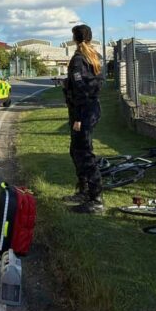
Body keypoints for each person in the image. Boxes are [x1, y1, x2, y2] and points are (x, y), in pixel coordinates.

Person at [63, 23, 104, 214]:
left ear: (75, 38)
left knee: (85, 153)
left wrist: (78, 117)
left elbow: (80, 89)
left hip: (83, 110)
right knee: (76, 150)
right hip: (91, 107)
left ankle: (96, 198)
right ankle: (84, 190)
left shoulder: (79, 59)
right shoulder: (93, 57)